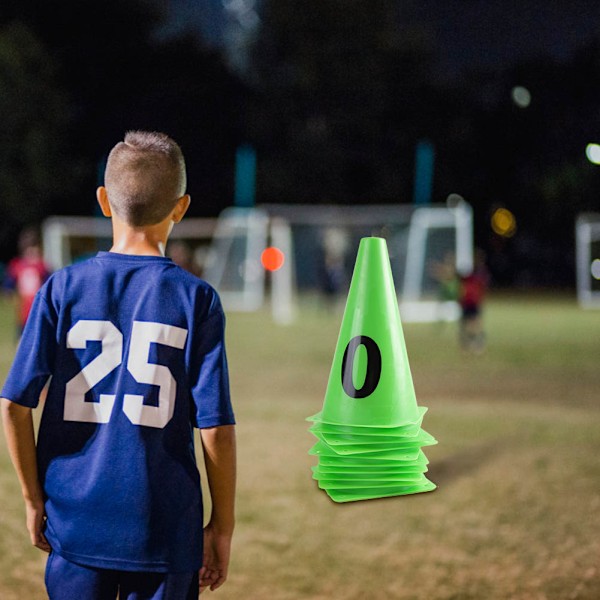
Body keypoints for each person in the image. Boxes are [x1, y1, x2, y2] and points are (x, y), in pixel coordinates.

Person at [1, 131, 236, 600]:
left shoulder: (61, 288)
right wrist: (221, 528)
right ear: (181, 207)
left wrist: (32, 500)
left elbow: (12, 405)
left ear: (104, 201)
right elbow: (216, 430)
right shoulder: (197, 298)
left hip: (76, 524)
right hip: (164, 531)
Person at [4, 226, 52, 336]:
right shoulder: (17, 265)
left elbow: (50, 285)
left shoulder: (42, 266)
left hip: (39, 308)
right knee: (22, 339)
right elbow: (8, 285)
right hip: (23, 311)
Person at [458, 249, 489, 354]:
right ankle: (468, 344)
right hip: (467, 301)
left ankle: (478, 343)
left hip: (473, 302)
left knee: (474, 324)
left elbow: (481, 287)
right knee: (466, 324)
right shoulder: (470, 272)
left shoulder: (480, 273)